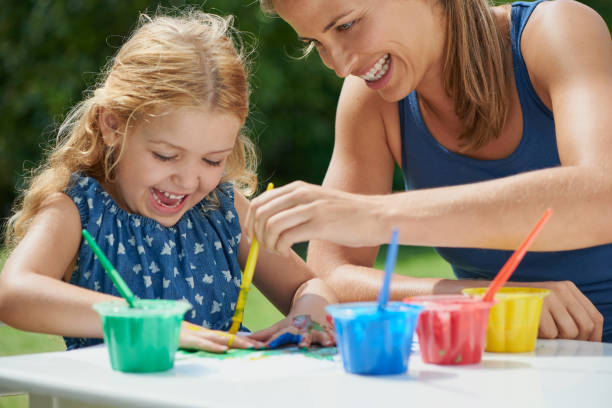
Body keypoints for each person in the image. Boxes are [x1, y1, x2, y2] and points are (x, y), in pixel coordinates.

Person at [248, 0, 612, 342]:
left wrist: (370, 216)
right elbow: (330, 277)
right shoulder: (372, 98)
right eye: (317, 44)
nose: (341, 65)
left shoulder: (557, 32)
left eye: (347, 25)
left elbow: (602, 196)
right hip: (514, 360)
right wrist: (480, 297)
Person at [0, 10, 336, 352]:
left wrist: (306, 315)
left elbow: (309, 285)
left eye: (212, 160)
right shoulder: (79, 209)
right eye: (165, 156)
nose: (188, 180)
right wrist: (151, 322)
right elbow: (13, 293)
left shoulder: (220, 207)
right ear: (113, 125)